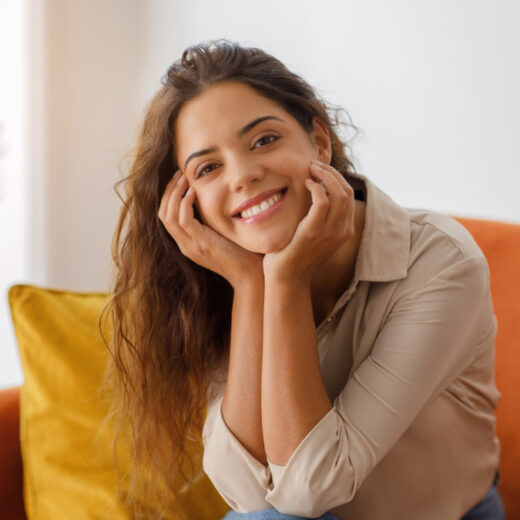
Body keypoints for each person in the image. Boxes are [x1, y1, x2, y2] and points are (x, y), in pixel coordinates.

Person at [103, 40, 505, 520]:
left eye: (264, 140)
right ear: (187, 202)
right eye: (208, 168)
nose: (244, 175)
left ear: (318, 140)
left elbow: (307, 491)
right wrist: (253, 288)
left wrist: (286, 283)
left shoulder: (441, 260)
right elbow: (246, 494)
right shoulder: (224, 276)